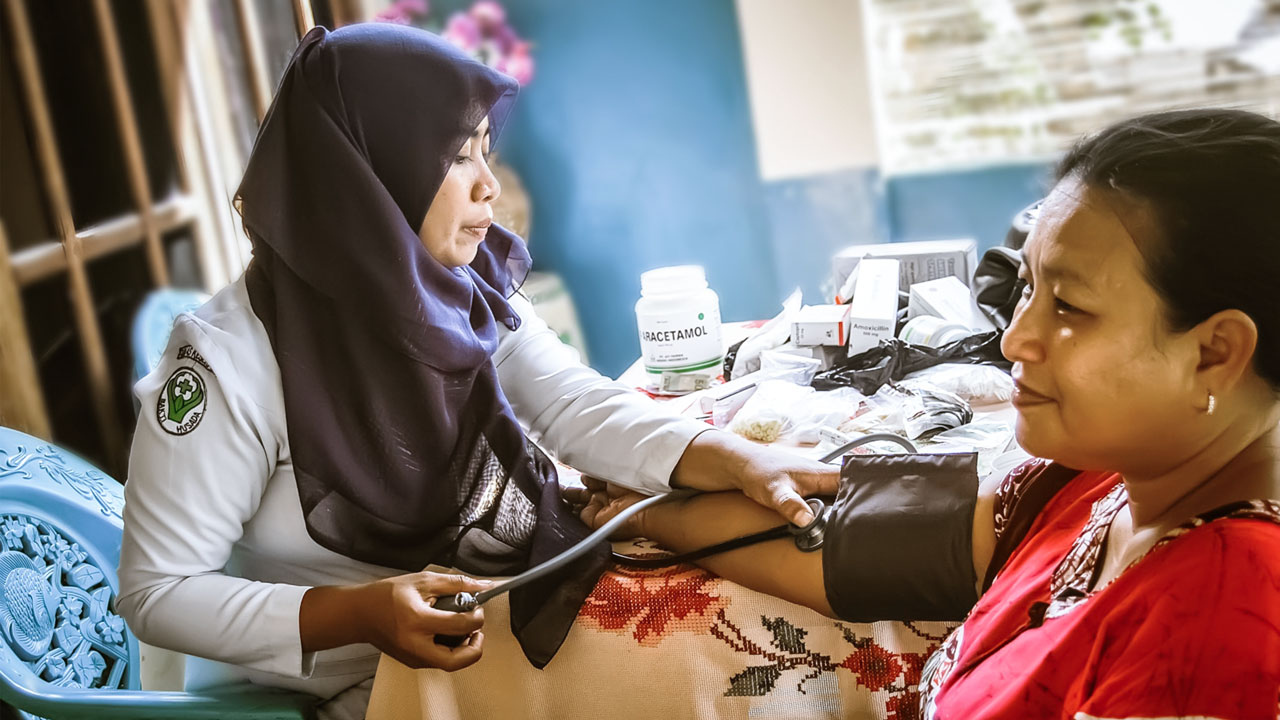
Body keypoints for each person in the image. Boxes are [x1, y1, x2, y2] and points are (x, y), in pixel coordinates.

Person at [116, 23, 835, 720]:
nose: (489, 186)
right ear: (368, 173)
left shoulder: (452, 286)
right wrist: (358, 613)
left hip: (464, 623)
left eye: (485, 150)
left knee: (736, 619)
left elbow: (569, 402)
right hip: (312, 688)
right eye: (457, 157)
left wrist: (731, 456)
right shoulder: (224, 360)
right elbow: (157, 591)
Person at [573, 108, 1280, 719]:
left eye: (1068, 306)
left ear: (1215, 353)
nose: (1013, 338)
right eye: (1027, 286)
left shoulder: (1228, 622)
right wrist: (647, 507)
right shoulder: (1106, 485)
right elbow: (855, 544)